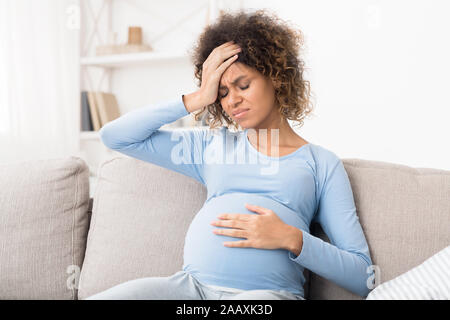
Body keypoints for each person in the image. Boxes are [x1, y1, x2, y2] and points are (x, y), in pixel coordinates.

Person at [85, 9, 374, 300]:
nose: (232, 100)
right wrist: (197, 98)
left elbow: (364, 277)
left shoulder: (321, 164)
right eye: (222, 92)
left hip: (265, 296)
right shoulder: (212, 146)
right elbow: (116, 137)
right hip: (190, 290)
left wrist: (292, 238)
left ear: (276, 78)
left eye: (243, 85)